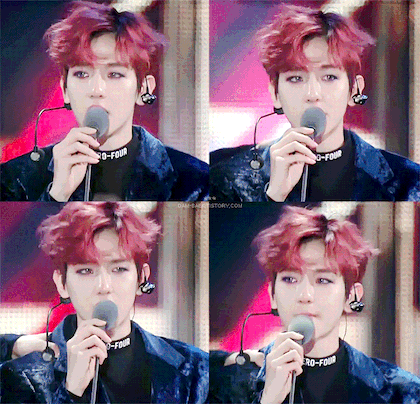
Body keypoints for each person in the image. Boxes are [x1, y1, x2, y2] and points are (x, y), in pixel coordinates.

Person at [0, 202, 209, 403]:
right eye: (86, 270)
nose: (104, 286)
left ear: (141, 278)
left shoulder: (196, 370)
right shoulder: (22, 377)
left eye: (119, 269)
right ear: (62, 283)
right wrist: (71, 393)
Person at [1, 1, 208, 202]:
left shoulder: (195, 182)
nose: (97, 90)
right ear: (65, 90)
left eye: (115, 74)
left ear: (143, 89)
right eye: (82, 74)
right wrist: (56, 195)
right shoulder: (16, 179)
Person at [210, 4, 420, 202]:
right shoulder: (222, 175)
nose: (312, 94)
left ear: (354, 90)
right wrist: (273, 195)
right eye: (296, 78)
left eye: (329, 77)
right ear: (275, 93)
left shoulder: (407, 183)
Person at [209, 206, 420, 403]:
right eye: (290, 279)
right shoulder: (228, 382)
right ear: (272, 295)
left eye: (323, 280)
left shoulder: (401, 391)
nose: (305, 295)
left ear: (351, 297)